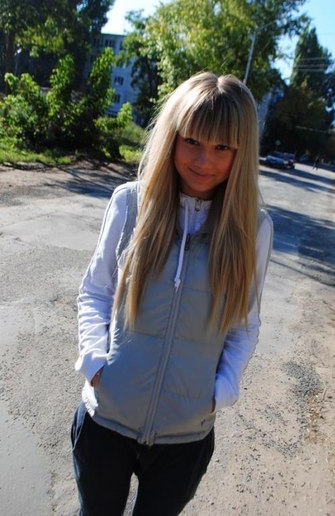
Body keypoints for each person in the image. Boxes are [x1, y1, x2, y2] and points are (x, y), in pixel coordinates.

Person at [71, 71, 273, 516]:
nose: (204, 160)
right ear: (172, 136)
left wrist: (220, 391)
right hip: (106, 420)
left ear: (242, 152)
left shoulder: (253, 229)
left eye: (222, 147)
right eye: (192, 141)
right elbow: (96, 291)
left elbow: (245, 324)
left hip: (186, 437)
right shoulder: (130, 203)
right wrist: (94, 362)